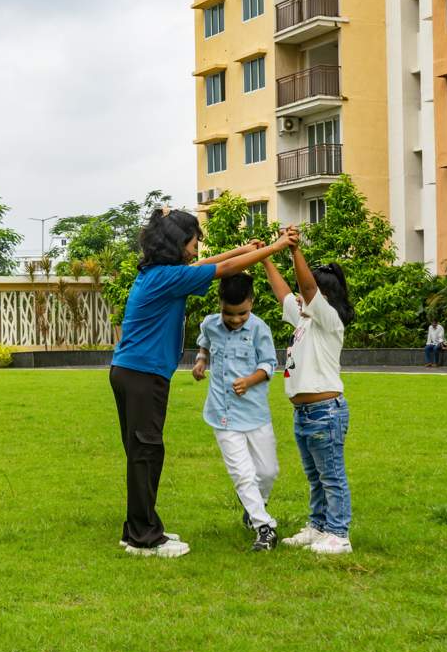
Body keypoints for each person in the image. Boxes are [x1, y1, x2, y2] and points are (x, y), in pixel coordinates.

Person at [110, 209, 297, 558]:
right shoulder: (166, 277)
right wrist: (275, 247)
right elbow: (218, 271)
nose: (196, 250)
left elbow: (207, 265)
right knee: (146, 454)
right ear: (179, 244)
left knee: (143, 453)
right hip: (142, 375)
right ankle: (143, 537)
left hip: (133, 372)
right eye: (194, 243)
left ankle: (137, 528)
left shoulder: (160, 273)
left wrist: (243, 250)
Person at [259, 227, 356, 555]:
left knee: (332, 475)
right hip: (305, 414)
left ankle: (339, 534)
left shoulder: (329, 320)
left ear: (323, 299)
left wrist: (294, 250)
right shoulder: (304, 322)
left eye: (308, 295)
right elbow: (284, 293)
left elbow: (305, 288)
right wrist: (266, 258)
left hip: (325, 411)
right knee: (315, 477)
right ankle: (318, 526)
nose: (300, 298)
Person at [191, 272, 280, 552]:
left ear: (251, 303)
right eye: (229, 314)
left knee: (267, 472)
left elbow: (269, 364)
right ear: (220, 304)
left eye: (242, 313)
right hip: (222, 414)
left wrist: (249, 380)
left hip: (255, 413)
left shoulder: (259, 329)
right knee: (242, 474)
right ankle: (264, 528)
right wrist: (200, 362)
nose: (236, 319)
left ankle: (253, 507)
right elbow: (204, 343)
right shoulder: (210, 324)